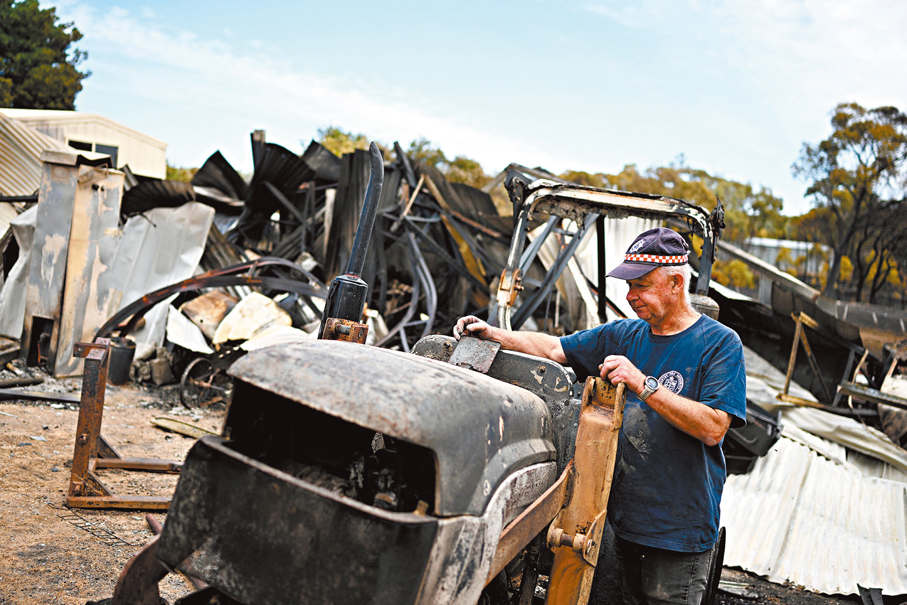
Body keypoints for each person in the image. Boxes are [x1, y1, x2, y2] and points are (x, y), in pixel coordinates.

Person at [454, 227, 746, 605]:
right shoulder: (625, 334)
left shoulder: (720, 343)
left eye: (641, 285)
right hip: (623, 525)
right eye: (628, 286)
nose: (630, 296)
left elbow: (713, 427)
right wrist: (494, 334)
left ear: (676, 283)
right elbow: (556, 349)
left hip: (678, 533)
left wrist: (642, 383)